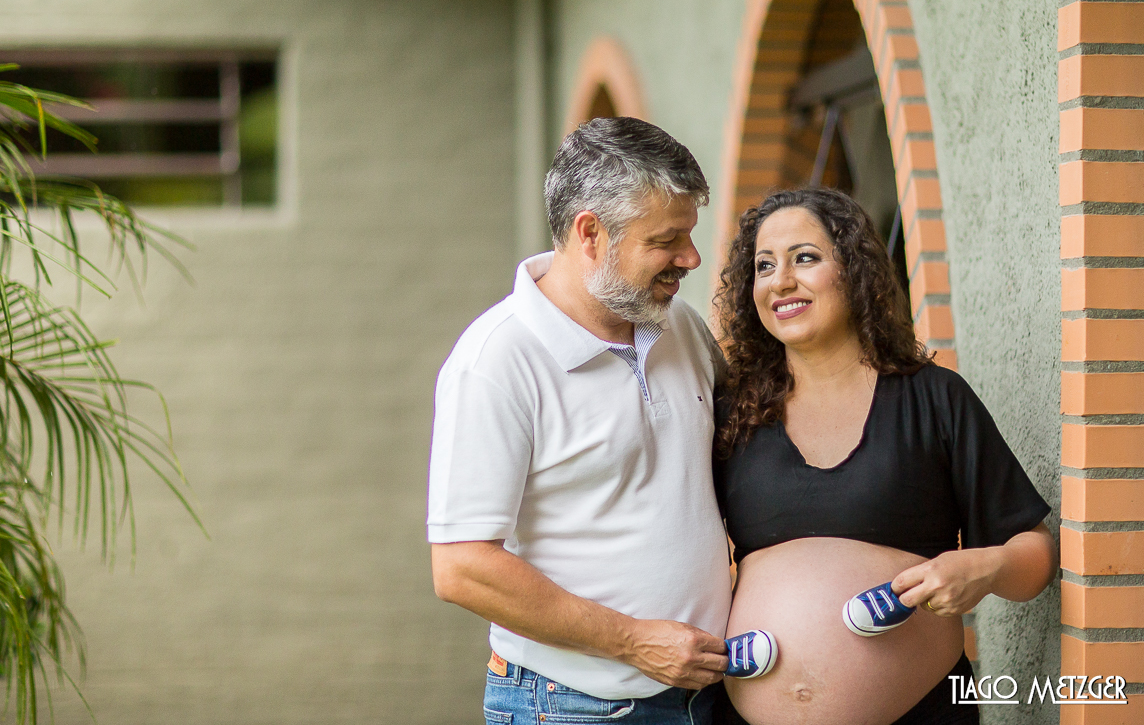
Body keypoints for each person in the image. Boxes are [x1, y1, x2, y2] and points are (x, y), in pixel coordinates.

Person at [428, 117, 734, 725]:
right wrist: (632, 641)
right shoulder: (496, 361)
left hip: (709, 698)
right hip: (573, 707)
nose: (691, 258)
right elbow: (462, 567)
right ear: (591, 233)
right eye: (666, 240)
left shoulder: (682, 327)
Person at [712, 188, 1056, 725]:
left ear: (853, 269)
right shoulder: (731, 415)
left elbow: (1034, 553)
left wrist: (984, 569)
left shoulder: (935, 398)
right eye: (763, 265)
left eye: (805, 258)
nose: (780, 281)